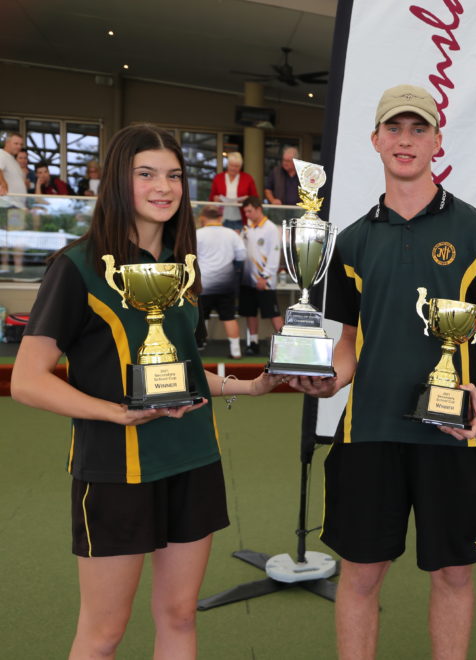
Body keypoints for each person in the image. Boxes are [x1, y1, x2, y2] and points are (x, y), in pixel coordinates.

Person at [9, 123, 278, 659]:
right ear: (117, 183)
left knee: (179, 617)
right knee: (104, 633)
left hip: (193, 459)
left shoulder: (186, 267)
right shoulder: (78, 266)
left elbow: (182, 371)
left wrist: (252, 386)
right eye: (146, 174)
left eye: (174, 175)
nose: (164, 187)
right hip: (115, 469)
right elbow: (27, 380)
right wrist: (115, 414)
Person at [290, 83, 476, 660]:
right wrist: (331, 379)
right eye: (394, 128)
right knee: (361, 578)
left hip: (452, 435)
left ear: (438, 141)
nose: (406, 140)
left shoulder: (475, 232)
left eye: (419, 129)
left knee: (453, 576)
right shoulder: (351, 240)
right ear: (375, 140)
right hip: (367, 434)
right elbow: (348, 341)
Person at [195, 205, 246, 358]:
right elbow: (242, 256)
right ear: (220, 218)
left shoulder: (198, 234)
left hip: (204, 284)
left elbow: (190, 257)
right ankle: (236, 351)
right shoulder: (231, 234)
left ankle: (199, 347)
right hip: (227, 284)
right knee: (229, 317)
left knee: (200, 317)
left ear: (203, 218)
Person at [239, 196, 283, 355]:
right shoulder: (248, 227)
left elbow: (274, 254)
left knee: (273, 313)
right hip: (248, 279)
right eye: (245, 212)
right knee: (250, 313)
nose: (247, 214)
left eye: (250, 211)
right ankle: (253, 343)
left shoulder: (270, 228)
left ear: (259, 209)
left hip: (264, 280)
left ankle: (285, 347)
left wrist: (264, 276)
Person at [0, 132, 28, 274]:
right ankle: (14, 268)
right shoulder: (2, 154)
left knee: (13, 237)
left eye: (20, 144)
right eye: (16, 143)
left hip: (17, 205)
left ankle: (13, 268)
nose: (19, 146)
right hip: (9, 204)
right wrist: (3, 184)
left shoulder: (12, 159)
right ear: (7, 142)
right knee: (12, 238)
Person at [209, 151, 258, 232]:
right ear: (227, 165)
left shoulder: (248, 178)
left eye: (237, 166)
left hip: (241, 218)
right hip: (222, 218)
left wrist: (247, 199)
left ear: (241, 167)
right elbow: (211, 197)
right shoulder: (218, 178)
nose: (233, 168)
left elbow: (255, 198)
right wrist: (216, 199)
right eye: (231, 165)